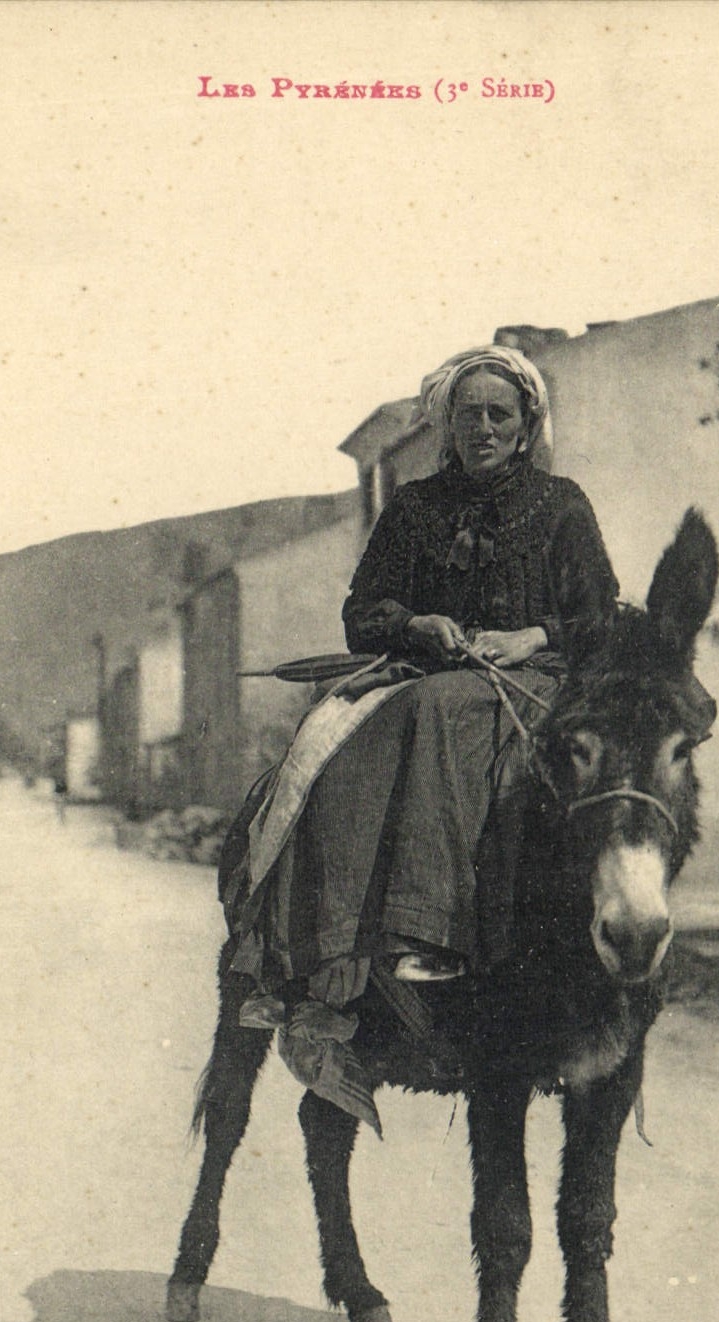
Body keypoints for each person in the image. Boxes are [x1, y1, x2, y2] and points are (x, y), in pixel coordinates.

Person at [229, 345, 621, 1083]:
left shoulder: (563, 502)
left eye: (498, 413)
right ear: (446, 423)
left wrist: (531, 635)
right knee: (332, 744)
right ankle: (332, 953)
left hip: (540, 676)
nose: (482, 427)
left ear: (526, 420)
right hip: (429, 672)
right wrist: (415, 625)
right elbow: (361, 612)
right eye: (467, 413)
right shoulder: (414, 508)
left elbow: (599, 613)